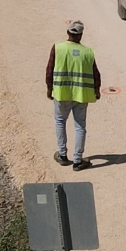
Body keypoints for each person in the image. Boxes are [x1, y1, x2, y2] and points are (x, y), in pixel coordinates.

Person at [46, 20, 99, 170]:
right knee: (80, 126)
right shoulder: (88, 52)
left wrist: (49, 89)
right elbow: (96, 74)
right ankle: (77, 160)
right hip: (81, 96)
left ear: (68, 33)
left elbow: (49, 70)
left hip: (61, 94)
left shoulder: (58, 48)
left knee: (60, 121)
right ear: (81, 35)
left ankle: (62, 155)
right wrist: (96, 91)